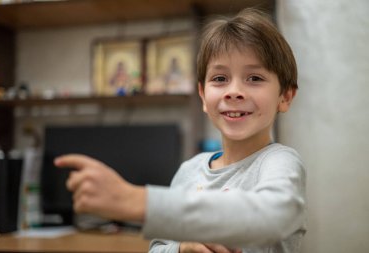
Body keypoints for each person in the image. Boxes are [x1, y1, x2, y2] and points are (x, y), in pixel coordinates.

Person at [54, 8, 306, 253]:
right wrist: (182, 248)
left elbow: (275, 216)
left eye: (255, 78)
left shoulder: (280, 162)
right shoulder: (189, 171)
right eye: (220, 79)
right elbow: (158, 248)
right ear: (203, 96)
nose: (233, 91)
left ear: (284, 96)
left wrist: (134, 200)